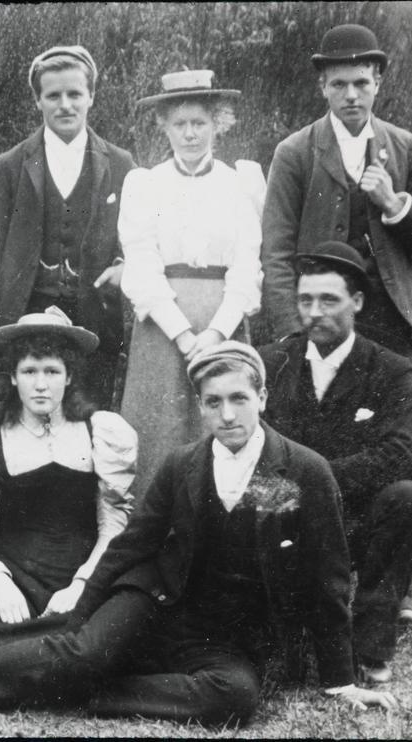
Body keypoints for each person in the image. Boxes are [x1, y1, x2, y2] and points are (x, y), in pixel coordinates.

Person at [0, 342, 398, 724]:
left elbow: (328, 577)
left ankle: (95, 696)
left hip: (233, 633)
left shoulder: (303, 471)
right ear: (200, 407)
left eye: (239, 398)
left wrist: (340, 678)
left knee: (234, 698)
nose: (227, 414)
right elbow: (133, 544)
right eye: (213, 403)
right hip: (158, 600)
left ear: (263, 397)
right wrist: (84, 610)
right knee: (80, 652)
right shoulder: (184, 465)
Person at [258, 240, 412, 684]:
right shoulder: (271, 362)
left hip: (355, 519)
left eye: (328, 300)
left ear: (356, 302)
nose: (314, 312)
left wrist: (320, 479)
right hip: (286, 512)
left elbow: (404, 452)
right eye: (305, 300)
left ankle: (370, 644)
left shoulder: (389, 368)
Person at [0, 307, 137, 663]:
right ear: (12, 377)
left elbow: (113, 526)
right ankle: (65, 654)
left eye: (52, 372)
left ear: (70, 376)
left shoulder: (100, 431)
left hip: (82, 581)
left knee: (122, 620)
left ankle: (15, 661)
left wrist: (81, 586)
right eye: (29, 371)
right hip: (16, 584)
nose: (41, 384)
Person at [262, 23, 412, 357]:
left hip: (389, 323)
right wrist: (292, 331)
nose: (351, 95)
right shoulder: (294, 152)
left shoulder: (406, 147)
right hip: (318, 324)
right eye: (339, 84)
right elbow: (276, 252)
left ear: (377, 83)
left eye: (361, 83)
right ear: (323, 87)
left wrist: (394, 205)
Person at [118, 69, 263, 497]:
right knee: (159, 434)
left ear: (217, 123)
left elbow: (247, 265)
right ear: (163, 125)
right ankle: (155, 538)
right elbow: (140, 263)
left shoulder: (239, 183)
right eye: (179, 124)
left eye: (199, 123)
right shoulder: (145, 184)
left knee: (221, 424)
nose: (190, 134)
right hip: (164, 327)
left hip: (222, 323)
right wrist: (183, 336)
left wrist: (216, 333)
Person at [0, 45, 136, 409]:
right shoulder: (10, 165)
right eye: (53, 95)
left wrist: (123, 266)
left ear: (91, 97)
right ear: (38, 101)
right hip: (25, 314)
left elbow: (136, 238)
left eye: (75, 94)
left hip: (94, 318)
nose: (65, 105)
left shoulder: (119, 163)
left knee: (89, 415)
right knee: (25, 412)